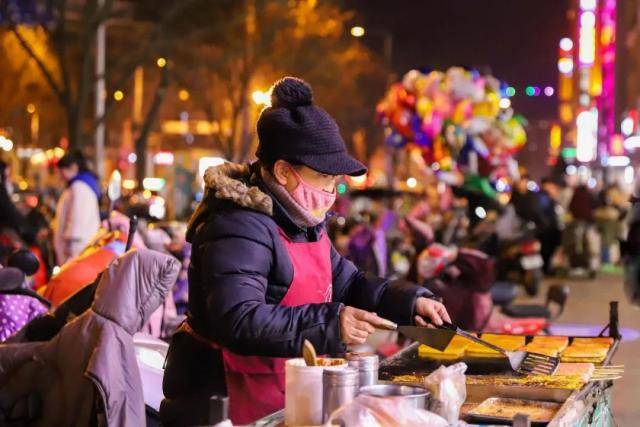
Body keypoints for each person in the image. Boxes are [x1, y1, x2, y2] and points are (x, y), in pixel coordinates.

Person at [162, 77, 450, 425]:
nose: (332, 190)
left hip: (285, 387)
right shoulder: (237, 224)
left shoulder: (302, 222)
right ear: (283, 171)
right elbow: (237, 317)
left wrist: (408, 301)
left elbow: (348, 282)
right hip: (224, 400)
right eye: (324, 178)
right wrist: (331, 322)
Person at [52, 152, 101, 265]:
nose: (60, 174)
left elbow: (77, 225)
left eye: (62, 170)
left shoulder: (79, 188)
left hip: (76, 250)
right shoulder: (82, 186)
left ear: (73, 167)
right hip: (81, 247)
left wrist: (71, 254)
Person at [538, 177, 563, 274]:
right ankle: (545, 269)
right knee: (546, 250)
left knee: (549, 249)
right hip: (546, 229)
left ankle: (546, 268)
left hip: (551, 228)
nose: (554, 189)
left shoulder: (550, 198)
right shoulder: (543, 197)